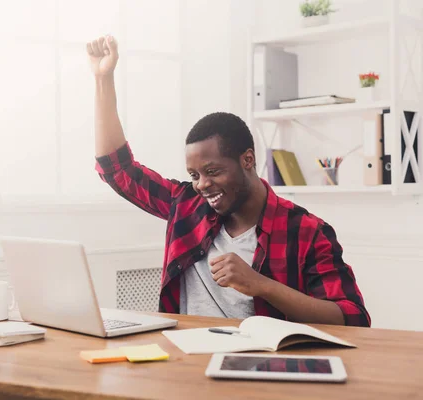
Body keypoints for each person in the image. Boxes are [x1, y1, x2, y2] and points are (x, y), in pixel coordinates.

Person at [86, 35, 370, 327]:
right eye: (194, 175)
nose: (202, 185)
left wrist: (262, 285)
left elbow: (353, 318)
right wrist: (103, 78)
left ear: (247, 160)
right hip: (185, 355)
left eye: (213, 171)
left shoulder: (307, 231)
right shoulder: (186, 205)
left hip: (261, 363)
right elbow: (117, 169)